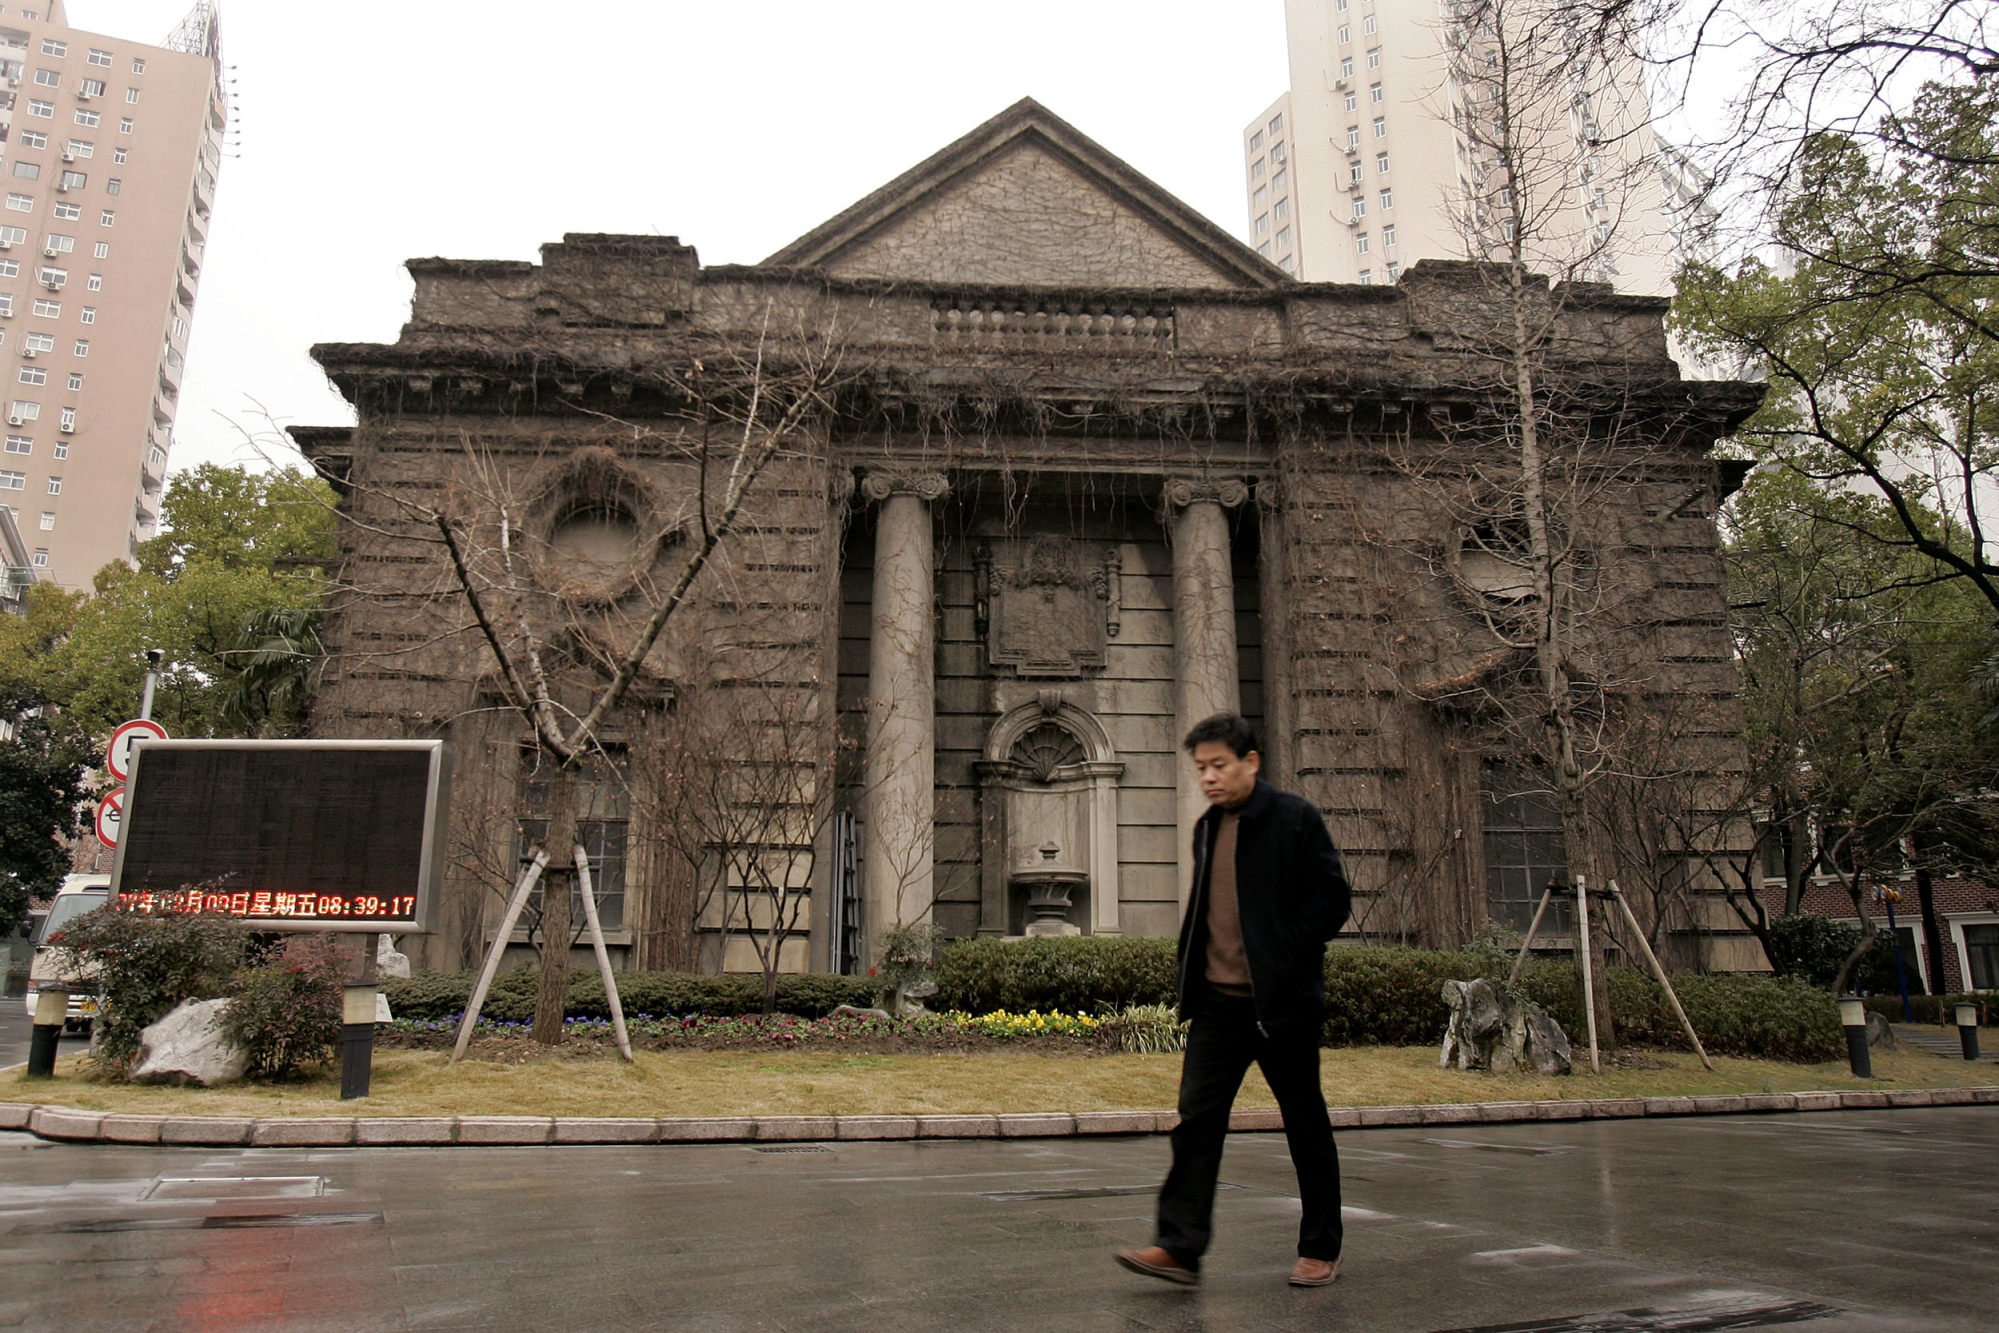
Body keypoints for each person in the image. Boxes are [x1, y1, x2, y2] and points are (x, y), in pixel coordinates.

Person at [1115, 712, 1351, 1289]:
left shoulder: (1295, 820)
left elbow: (1333, 901)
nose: (1210, 778)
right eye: (1201, 769)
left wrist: (1281, 951)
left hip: (1281, 1006)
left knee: (1304, 1124)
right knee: (1196, 1123)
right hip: (1217, 1006)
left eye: (1219, 766)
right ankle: (1180, 1247)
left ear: (1250, 762)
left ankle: (1320, 1247)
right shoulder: (1207, 828)